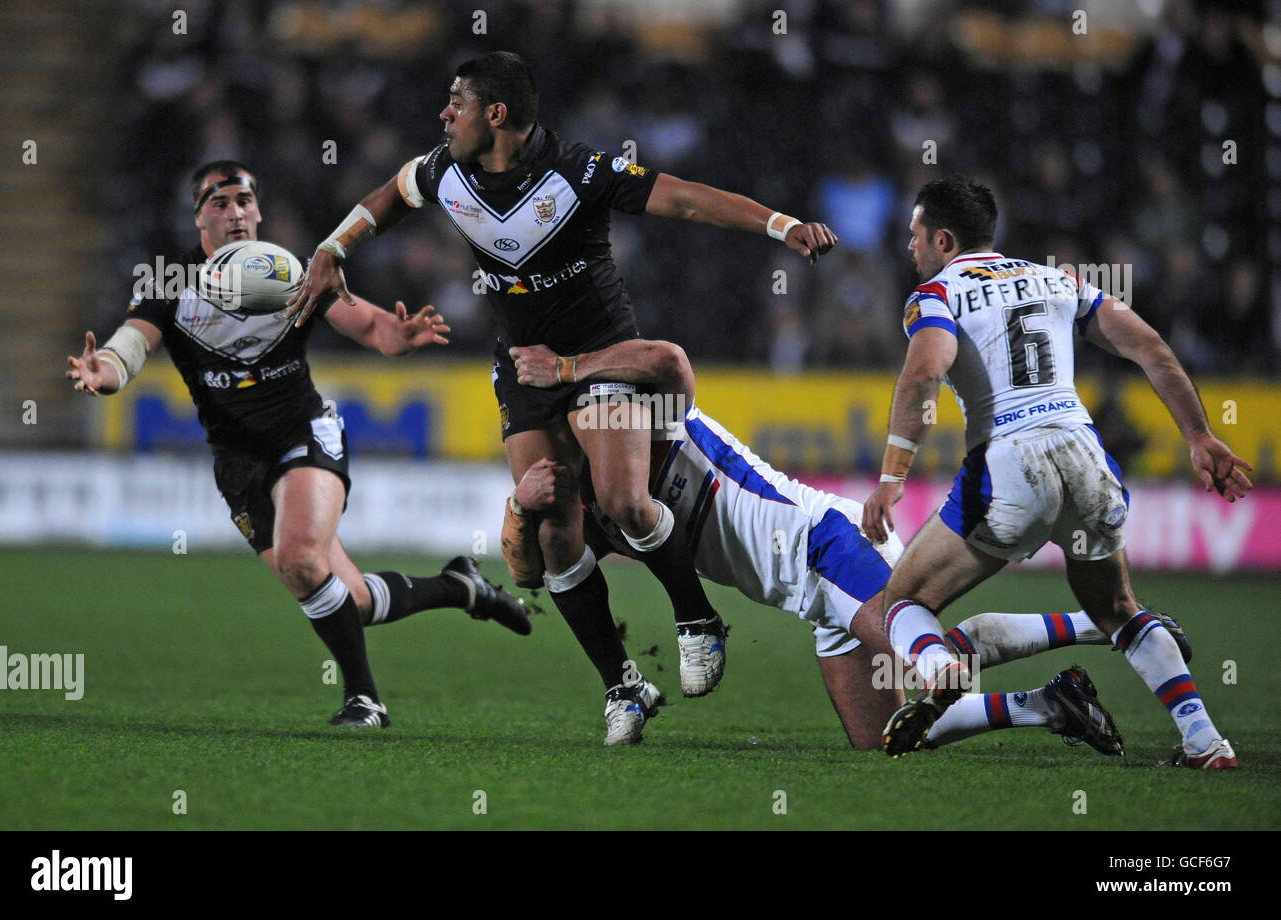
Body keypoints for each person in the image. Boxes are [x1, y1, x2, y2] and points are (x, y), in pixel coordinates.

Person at [283, 51, 838, 742]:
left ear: (497, 113)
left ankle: (697, 617)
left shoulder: (578, 172)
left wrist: (779, 226)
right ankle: (624, 686)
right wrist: (334, 247)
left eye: (455, 102)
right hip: (523, 367)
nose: (442, 114)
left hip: (600, 354)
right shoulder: (445, 172)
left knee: (624, 498)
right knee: (549, 523)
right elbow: (387, 197)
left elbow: (685, 197)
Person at [66, 159, 530, 728]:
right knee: (351, 598)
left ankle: (364, 699)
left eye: (244, 200)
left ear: (258, 211)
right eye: (219, 202)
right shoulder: (171, 283)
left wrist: (399, 336)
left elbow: (371, 326)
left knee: (300, 560)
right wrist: (102, 370)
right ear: (198, 218)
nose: (235, 212)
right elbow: (129, 348)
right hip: (237, 462)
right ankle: (460, 587)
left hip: (303, 433)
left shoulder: (297, 271)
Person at [505, 338, 1129, 755]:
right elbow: (535, 575)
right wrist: (519, 506)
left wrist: (570, 367)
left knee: (928, 659)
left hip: (825, 545)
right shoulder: (578, 493)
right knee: (884, 739)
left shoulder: (639, 420)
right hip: (810, 602)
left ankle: (1100, 622)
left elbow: (669, 359)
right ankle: (1048, 704)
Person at [860, 175, 1251, 766]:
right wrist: (1198, 436)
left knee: (904, 599)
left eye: (915, 235)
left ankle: (941, 673)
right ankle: (1204, 740)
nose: (909, 247)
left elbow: (924, 372)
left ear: (942, 238)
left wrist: (892, 476)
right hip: (1085, 454)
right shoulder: (1054, 278)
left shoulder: (935, 293)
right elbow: (1151, 348)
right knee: (1118, 608)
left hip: (1009, 461)